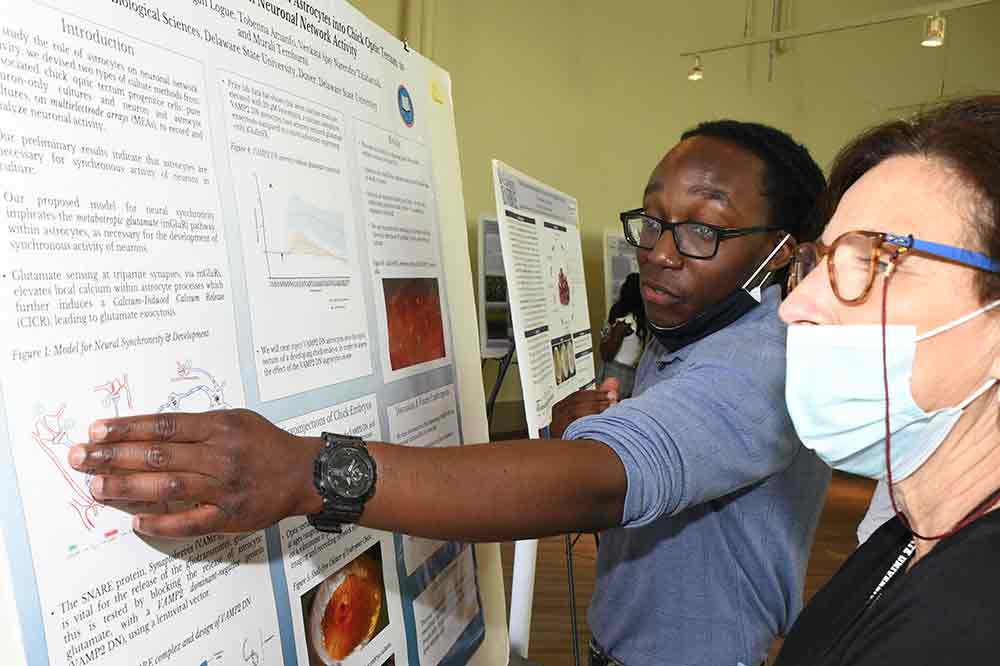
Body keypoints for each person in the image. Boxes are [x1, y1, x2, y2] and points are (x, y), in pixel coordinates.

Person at [69, 120, 830, 666]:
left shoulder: (766, 358)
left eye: (703, 231)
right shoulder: (681, 332)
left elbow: (608, 481)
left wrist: (310, 473)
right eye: (653, 220)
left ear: (780, 254)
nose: (661, 254)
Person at [775, 95, 1000, 664]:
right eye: (820, 259)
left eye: (875, 260)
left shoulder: (973, 624)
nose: (796, 304)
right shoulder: (912, 531)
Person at [599, 272, 646, 398]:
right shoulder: (642, 321)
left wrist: (605, 335)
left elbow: (606, 354)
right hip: (631, 375)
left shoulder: (624, 323)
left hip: (615, 374)